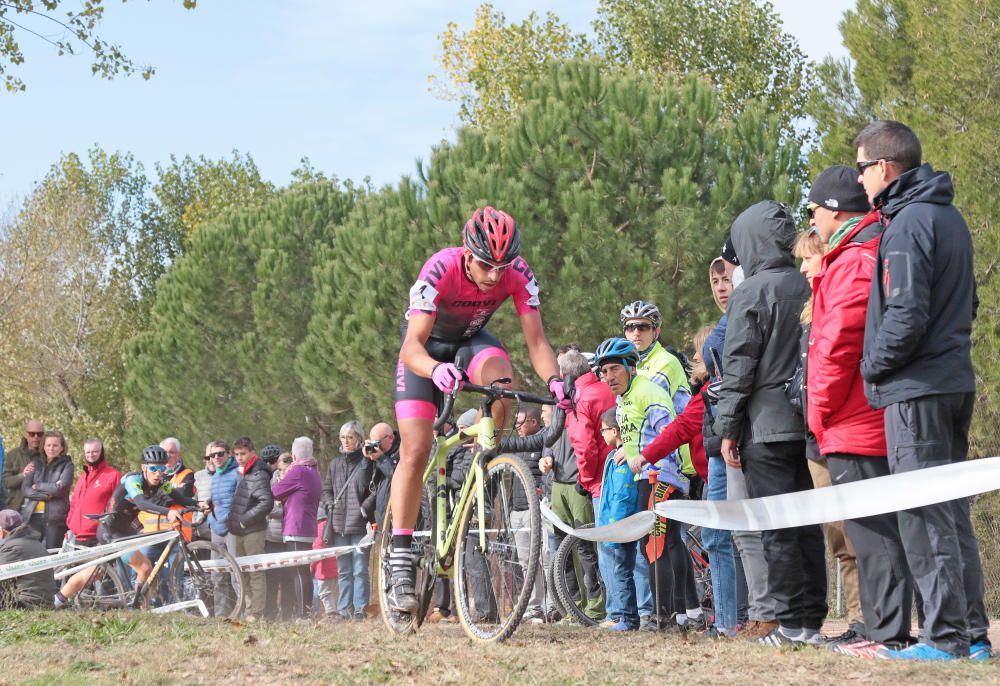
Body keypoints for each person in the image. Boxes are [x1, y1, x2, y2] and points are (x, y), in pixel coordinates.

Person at [388, 206, 566, 614]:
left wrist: (556, 382)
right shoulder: (439, 269)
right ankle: (400, 559)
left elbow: (537, 343)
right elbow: (411, 346)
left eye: (502, 267)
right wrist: (435, 369)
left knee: (503, 384)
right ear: (467, 254)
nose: (494, 276)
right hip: (424, 351)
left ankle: (484, 467)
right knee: (414, 451)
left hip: (470, 341)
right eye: (486, 265)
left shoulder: (517, 274)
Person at [856, 121, 989, 661]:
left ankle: (945, 639)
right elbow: (970, 306)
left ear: (884, 168)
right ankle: (973, 636)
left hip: (916, 389)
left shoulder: (908, 223)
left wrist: (872, 367)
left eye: (862, 168)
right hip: (953, 381)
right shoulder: (950, 218)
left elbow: (906, 314)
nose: (861, 180)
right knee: (950, 512)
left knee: (922, 512)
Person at [715, 201, 828, 647]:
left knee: (776, 525)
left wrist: (727, 428)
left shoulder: (751, 292)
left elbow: (739, 366)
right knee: (807, 524)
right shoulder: (807, 281)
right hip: (808, 421)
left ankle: (789, 623)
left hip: (763, 426)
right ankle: (812, 619)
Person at [704, 245, 777, 638]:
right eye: (714, 281)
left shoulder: (745, 311)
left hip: (746, 432)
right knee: (732, 533)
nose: (721, 286)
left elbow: (738, 372)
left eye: (727, 277)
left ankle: (763, 614)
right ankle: (741, 617)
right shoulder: (726, 320)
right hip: (725, 437)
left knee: (753, 530)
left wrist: (728, 429)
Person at [55, 445, 201, 608]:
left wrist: (199, 504)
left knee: (107, 571)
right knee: (142, 567)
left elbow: (179, 498)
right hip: (110, 530)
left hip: (127, 529)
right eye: (153, 468)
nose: (158, 473)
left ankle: (138, 607)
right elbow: (142, 503)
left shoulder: (161, 482)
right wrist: (167, 512)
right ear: (143, 468)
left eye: (162, 469)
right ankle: (59, 599)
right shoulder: (133, 480)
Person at [324, 421, 374, 620]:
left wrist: (364, 509)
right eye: (343, 437)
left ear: (359, 439)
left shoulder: (367, 462)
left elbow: (375, 489)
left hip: (360, 525)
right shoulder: (335, 464)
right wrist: (330, 504)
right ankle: (344, 608)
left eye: (350, 437)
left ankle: (361, 609)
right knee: (344, 570)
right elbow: (327, 489)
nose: (345, 441)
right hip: (338, 526)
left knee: (360, 569)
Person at [272, 438, 322, 620]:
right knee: (303, 571)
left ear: (293, 456)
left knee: (298, 572)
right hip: (307, 526)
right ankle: (306, 612)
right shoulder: (313, 470)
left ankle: (303, 615)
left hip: (296, 527)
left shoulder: (298, 471)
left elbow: (276, 491)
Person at [228, 436, 274, 621]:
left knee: (255, 572)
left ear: (252, 453)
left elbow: (266, 503)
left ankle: (256, 612)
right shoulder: (245, 472)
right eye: (237, 454)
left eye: (243, 454)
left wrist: (244, 521)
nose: (240, 457)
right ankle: (248, 610)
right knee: (243, 572)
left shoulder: (258, 473)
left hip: (253, 530)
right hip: (240, 531)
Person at [20, 431, 74, 549]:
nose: (51, 448)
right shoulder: (35, 464)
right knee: (32, 555)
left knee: (52, 555)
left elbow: (60, 489)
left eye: (55, 445)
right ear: (43, 446)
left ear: (62, 447)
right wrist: (46, 496)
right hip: (32, 517)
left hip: (55, 519)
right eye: (48, 445)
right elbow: (25, 489)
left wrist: (37, 486)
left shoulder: (67, 465)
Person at [65, 437, 123, 546]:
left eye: (95, 451)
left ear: (102, 452)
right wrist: (70, 522)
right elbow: (74, 503)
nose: (91, 455)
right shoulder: (83, 477)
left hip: (98, 537)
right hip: (77, 537)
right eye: (88, 452)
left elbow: (120, 505)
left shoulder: (113, 476)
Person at [206, 440, 240, 617]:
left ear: (229, 454)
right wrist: (210, 516)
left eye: (220, 454)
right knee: (217, 574)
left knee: (236, 573)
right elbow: (215, 501)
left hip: (232, 529)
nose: (216, 458)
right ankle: (220, 614)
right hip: (216, 529)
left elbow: (239, 502)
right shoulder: (216, 475)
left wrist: (228, 519)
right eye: (212, 455)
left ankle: (242, 611)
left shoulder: (236, 473)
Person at [0, 509, 56, 609]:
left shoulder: (11, 548)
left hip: (28, 604)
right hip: (42, 602)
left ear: (1, 532)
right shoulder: (31, 541)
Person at [1, 420, 44, 513]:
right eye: (32, 434)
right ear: (26, 434)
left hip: (42, 509)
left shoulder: (48, 455)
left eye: (39, 434)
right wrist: (23, 475)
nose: (36, 437)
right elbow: (6, 482)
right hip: (17, 508)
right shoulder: (12, 455)